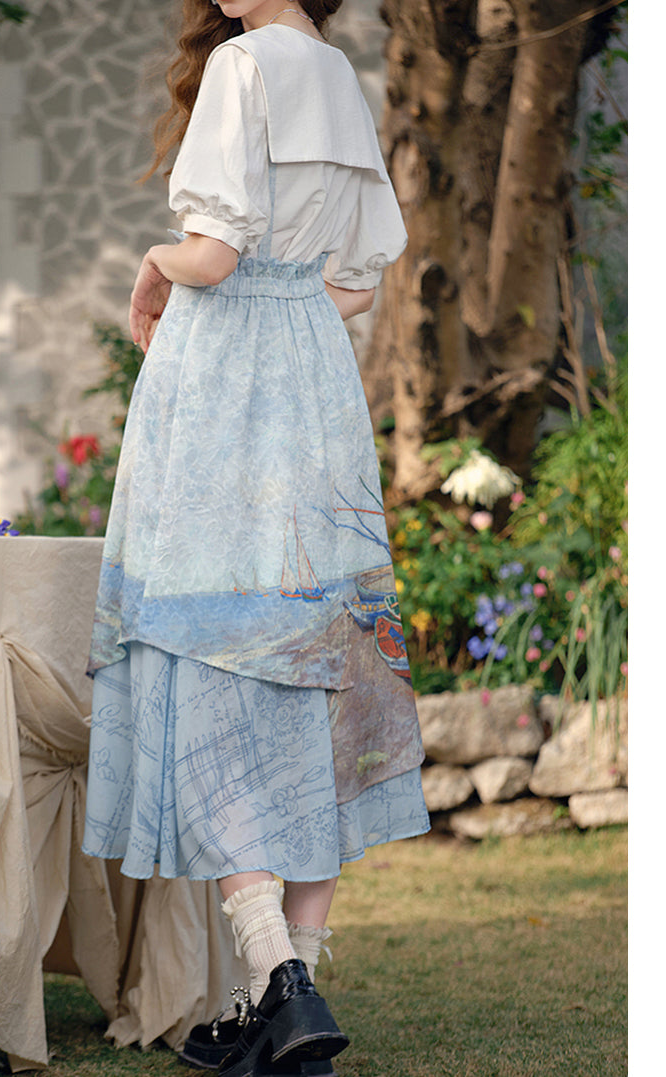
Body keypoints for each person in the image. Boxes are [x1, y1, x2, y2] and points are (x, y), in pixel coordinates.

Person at [81, 2, 430, 1073]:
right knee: (319, 668)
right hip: (313, 380)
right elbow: (356, 282)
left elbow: (214, 254)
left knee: (207, 660)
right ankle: (283, 1003)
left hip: (223, 387)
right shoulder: (340, 77)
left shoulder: (243, 65)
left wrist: (154, 257)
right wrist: (285, 298)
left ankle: (276, 974)